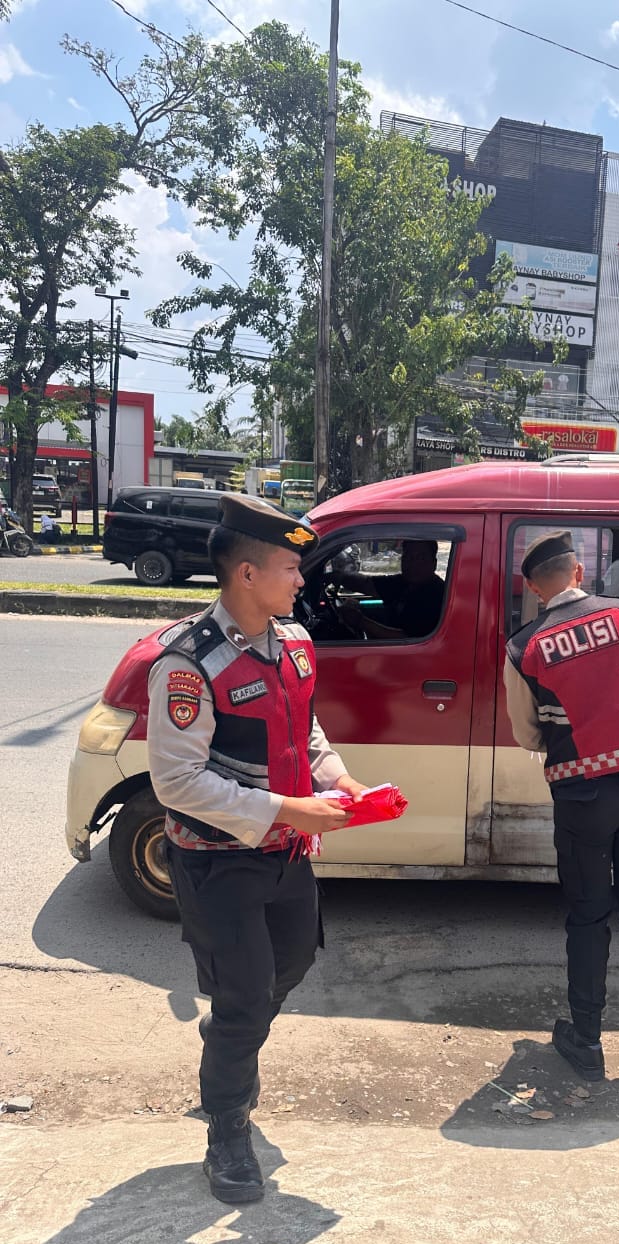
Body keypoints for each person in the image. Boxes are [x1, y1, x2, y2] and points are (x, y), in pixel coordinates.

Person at [147, 494, 367, 1204]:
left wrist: (338, 780)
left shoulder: (294, 642)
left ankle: (229, 1039)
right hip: (217, 858)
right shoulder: (186, 662)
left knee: (293, 963)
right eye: (289, 568)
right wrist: (283, 808)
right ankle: (227, 1129)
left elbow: (306, 734)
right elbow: (177, 780)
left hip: (287, 853)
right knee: (246, 997)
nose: (301, 581)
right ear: (246, 574)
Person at [503, 530, 619, 1089]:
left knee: (587, 917)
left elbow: (528, 735)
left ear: (532, 587)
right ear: (579, 573)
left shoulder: (524, 647)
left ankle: (586, 1042)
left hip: (583, 798)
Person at [335, 539, 445, 639]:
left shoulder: (438, 596)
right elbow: (366, 584)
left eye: (421, 557)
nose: (413, 563)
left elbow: (406, 640)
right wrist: (338, 577)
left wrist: (360, 621)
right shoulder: (402, 583)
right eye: (408, 556)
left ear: (434, 563)